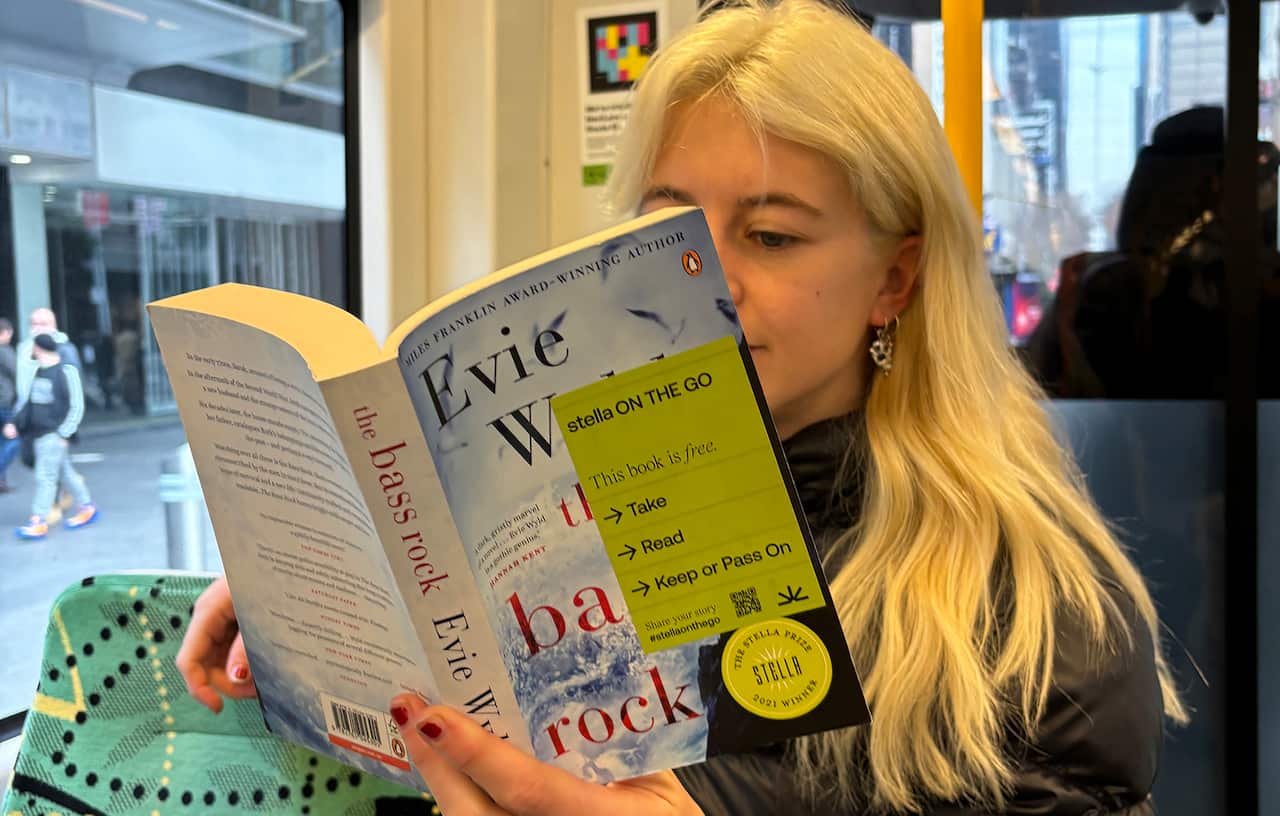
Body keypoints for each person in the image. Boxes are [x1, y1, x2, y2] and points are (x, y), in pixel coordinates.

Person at [178, 2, 1187, 813]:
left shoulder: (1026, 607)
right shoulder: (567, 513)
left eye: (771, 237)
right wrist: (335, 596)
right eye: (669, 232)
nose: (699, 283)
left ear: (894, 279)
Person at [4, 333, 98, 539]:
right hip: (39, 434)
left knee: (45, 476)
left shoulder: (66, 371)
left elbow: (77, 405)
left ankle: (38, 520)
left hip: (53, 434)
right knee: (66, 474)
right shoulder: (38, 371)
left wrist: (64, 434)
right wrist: (15, 423)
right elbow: (29, 403)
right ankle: (87, 506)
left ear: (38, 348)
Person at [0, 318, 18, 493]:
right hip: (4, 402)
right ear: (5, 332)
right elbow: (16, 373)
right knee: (12, 439)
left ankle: (1, 481)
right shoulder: (5, 351)